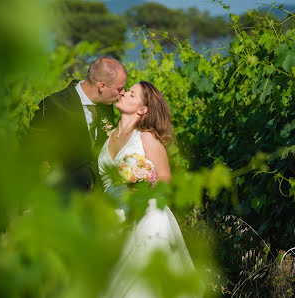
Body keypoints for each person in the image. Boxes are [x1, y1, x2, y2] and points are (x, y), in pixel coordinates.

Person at [98, 81, 199, 297]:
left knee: (155, 216)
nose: (123, 93)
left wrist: (144, 190)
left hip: (137, 210)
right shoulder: (105, 136)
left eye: (131, 94)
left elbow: (164, 179)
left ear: (142, 110)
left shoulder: (145, 137)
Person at [23, 56, 127, 193]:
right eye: (119, 89)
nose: (123, 93)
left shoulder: (106, 107)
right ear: (102, 86)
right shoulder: (55, 104)